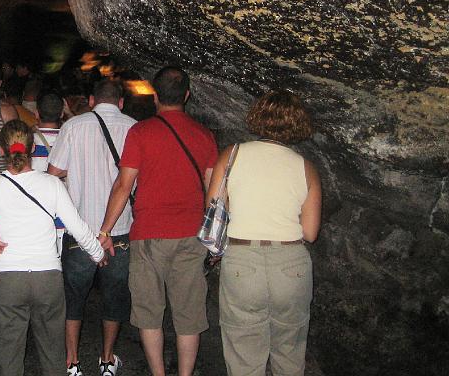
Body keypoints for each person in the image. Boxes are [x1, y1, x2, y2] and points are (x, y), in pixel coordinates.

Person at [0, 120, 105, 376]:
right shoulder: (52, 184)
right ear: (32, 150)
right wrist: (98, 254)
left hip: (7, 279)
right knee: (53, 355)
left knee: (8, 358)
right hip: (47, 278)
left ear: (1, 150)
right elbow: (78, 227)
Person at [98, 66, 217, 376]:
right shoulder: (204, 136)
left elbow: (123, 186)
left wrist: (106, 229)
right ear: (187, 95)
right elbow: (213, 193)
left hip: (148, 235)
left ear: (154, 95)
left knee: (150, 312)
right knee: (188, 314)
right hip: (191, 235)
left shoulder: (140, 133)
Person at [206, 90, 322, 376]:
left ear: (257, 117)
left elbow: (212, 209)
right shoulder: (306, 168)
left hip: (242, 262)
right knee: (290, 350)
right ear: (297, 123)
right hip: (291, 264)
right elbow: (310, 232)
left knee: (244, 354)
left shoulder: (231, 155)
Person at [47, 79, 136, 376]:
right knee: (114, 296)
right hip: (120, 230)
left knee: (74, 298)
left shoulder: (73, 126)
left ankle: (72, 363)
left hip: (80, 230)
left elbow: (54, 171)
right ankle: (107, 359)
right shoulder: (134, 127)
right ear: (121, 102)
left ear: (91, 99)